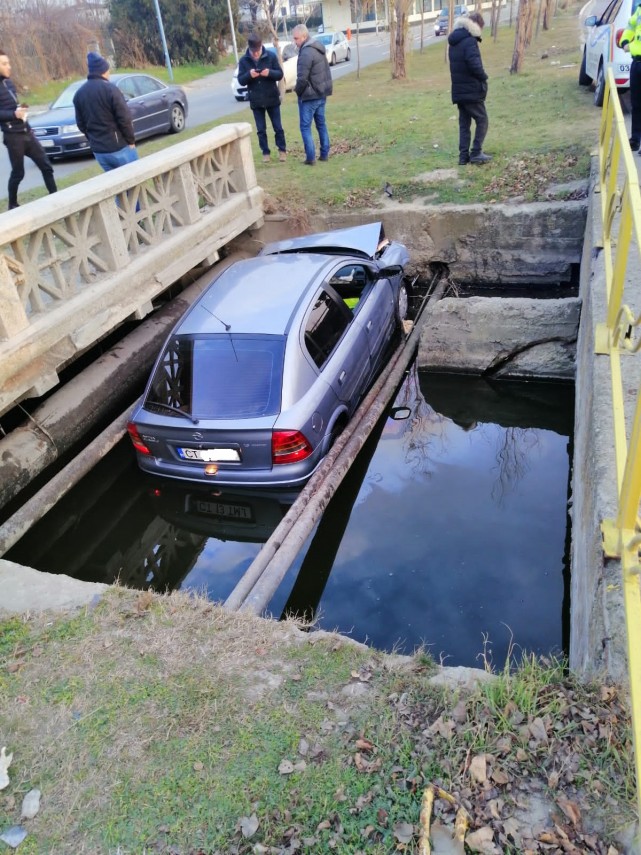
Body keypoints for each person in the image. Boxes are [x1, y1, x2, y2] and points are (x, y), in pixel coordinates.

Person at [0, 50, 57, 210]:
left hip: (26, 132)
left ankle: (56, 198)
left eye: (8, 63)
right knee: (18, 173)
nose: (9, 66)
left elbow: (12, 105)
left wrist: (21, 112)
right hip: (13, 137)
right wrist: (13, 114)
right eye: (4, 64)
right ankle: (12, 205)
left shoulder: (9, 83)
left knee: (46, 166)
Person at [73, 52, 138, 172]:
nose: (109, 74)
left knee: (115, 182)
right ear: (103, 71)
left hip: (99, 151)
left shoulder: (79, 94)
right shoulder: (111, 90)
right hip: (119, 147)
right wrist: (131, 141)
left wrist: (93, 139)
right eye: (108, 71)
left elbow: (81, 124)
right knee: (135, 178)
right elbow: (125, 118)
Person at [447, 11, 491, 165]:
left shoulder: (454, 41)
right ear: (476, 25)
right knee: (482, 119)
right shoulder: (470, 41)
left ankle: (463, 156)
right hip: (471, 90)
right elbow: (474, 64)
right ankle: (476, 152)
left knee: (464, 124)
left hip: (459, 90)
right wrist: (484, 77)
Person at [237, 34, 287, 163]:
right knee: (261, 130)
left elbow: (280, 74)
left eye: (257, 51)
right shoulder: (244, 61)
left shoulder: (270, 56)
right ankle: (265, 152)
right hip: (256, 100)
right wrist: (249, 75)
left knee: (278, 127)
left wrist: (269, 73)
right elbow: (241, 80)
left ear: (261, 47)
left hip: (272, 98)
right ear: (249, 48)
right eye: (253, 52)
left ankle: (282, 150)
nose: (255, 54)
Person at [292, 24, 333, 165]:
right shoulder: (317, 47)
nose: (294, 41)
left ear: (304, 36)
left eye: (296, 38)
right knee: (321, 124)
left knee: (305, 127)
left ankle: (310, 158)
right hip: (321, 93)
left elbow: (302, 78)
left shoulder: (306, 52)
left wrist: (297, 91)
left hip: (310, 96)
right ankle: (324, 154)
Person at [620, 7, 641, 151]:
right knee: (636, 103)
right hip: (637, 63)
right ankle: (635, 139)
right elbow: (630, 26)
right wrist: (624, 41)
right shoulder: (639, 10)